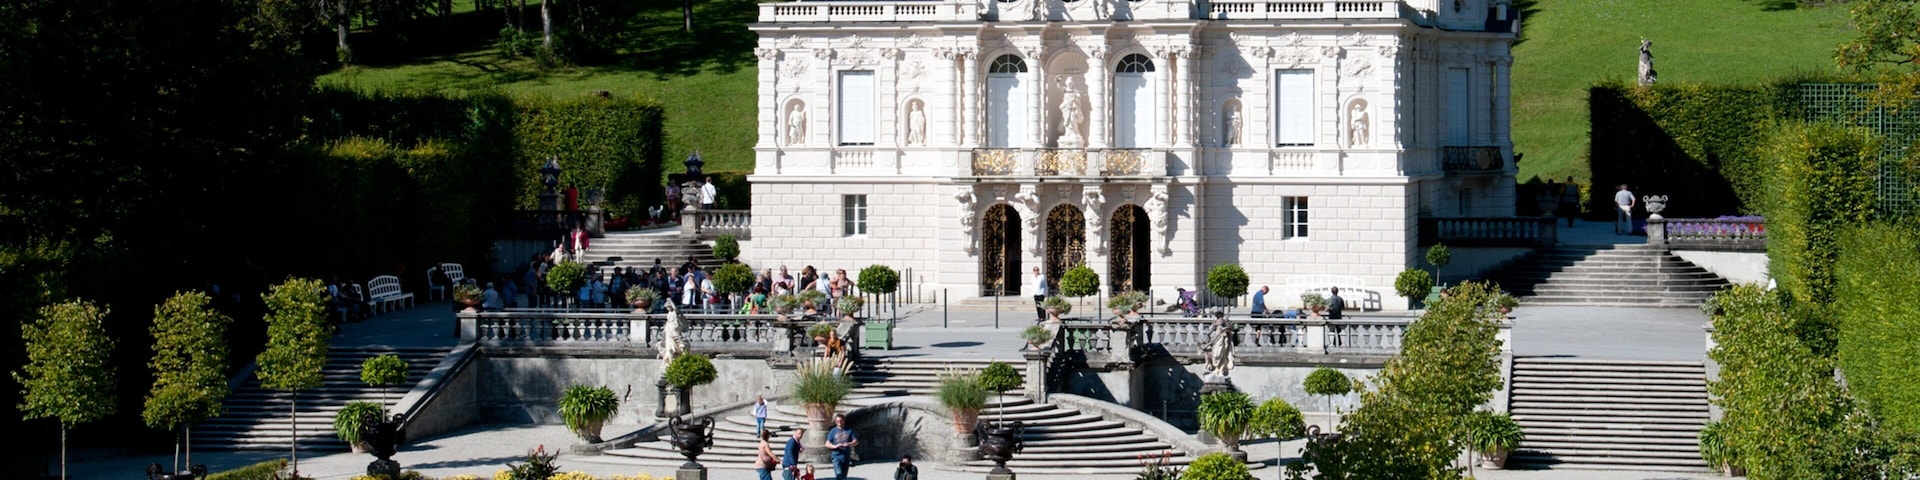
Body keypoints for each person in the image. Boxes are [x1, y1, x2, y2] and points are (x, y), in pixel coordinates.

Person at [826, 414, 859, 480]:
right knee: (839, 475)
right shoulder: (833, 431)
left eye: (841, 421)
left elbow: (856, 442)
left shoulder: (849, 430)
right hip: (836, 456)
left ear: (844, 421)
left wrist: (849, 444)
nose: (839, 423)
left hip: (846, 456)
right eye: (837, 421)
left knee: (843, 477)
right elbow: (827, 444)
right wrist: (835, 446)